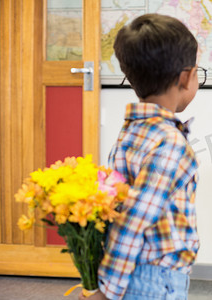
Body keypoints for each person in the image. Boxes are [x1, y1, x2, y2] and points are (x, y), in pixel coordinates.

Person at [80, 13, 205, 300]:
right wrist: (107, 291)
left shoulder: (130, 133)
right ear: (186, 77)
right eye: (198, 71)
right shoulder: (170, 142)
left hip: (136, 272)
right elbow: (132, 221)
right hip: (156, 279)